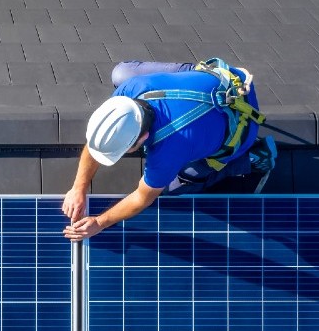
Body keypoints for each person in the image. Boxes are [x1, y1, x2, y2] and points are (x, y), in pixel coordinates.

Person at [61, 59, 278, 242]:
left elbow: (142, 198)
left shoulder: (169, 149)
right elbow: (98, 140)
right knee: (121, 72)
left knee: (176, 186)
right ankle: (192, 80)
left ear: (144, 138)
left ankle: (253, 158)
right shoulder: (129, 92)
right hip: (225, 78)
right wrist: (77, 188)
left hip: (242, 124)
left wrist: (100, 222)